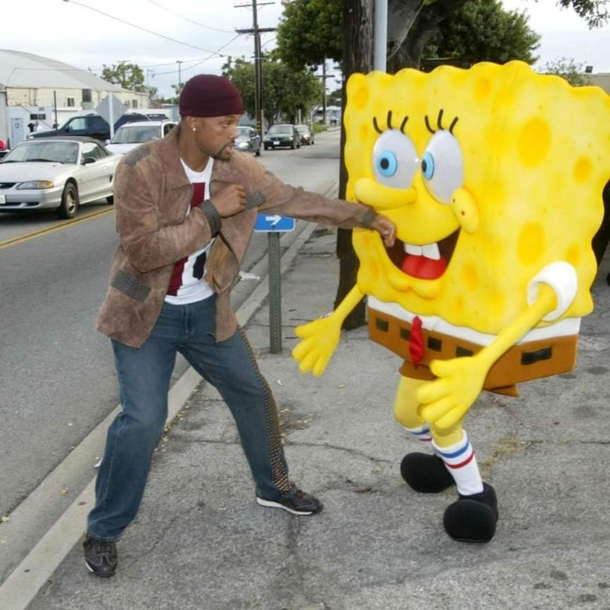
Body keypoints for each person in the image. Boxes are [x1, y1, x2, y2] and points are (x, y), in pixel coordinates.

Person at [83, 74, 396, 578]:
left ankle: (274, 486)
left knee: (253, 394)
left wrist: (365, 216)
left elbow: (295, 199)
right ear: (193, 122)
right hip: (146, 315)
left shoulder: (239, 169)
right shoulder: (139, 168)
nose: (235, 131)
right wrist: (210, 213)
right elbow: (143, 252)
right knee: (141, 420)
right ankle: (103, 528)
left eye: (236, 121)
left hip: (209, 311)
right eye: (226, 122)